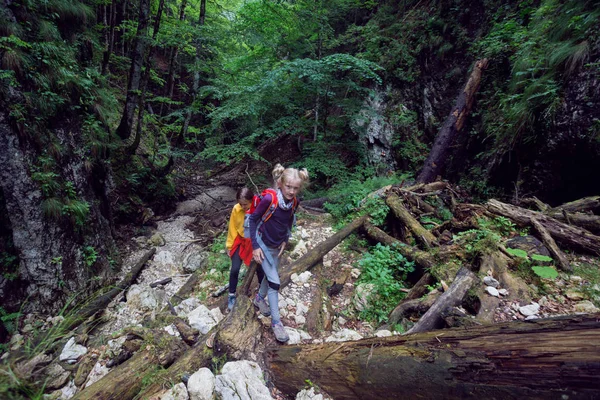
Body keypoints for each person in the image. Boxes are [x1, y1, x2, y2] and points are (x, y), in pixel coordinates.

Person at [248, 164, 309, 342]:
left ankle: (259, 298)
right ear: (280, 184)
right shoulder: (269, 200)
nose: (291, 191)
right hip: (262, 243)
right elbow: (253, 219)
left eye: (295, 188)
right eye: (288, 187)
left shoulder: (294, 202)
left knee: (270, 275)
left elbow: (288, 221)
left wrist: (285, 239)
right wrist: (255, 247)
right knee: (275, 282)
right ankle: (276, 323)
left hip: (276, 245)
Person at [225, 187, 256, 311]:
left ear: (251, 201)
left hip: (253, 242)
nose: (243, 206)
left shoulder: (257, 209)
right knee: (235, 269)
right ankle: (231, 295)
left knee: (258, 268)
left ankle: (260, 295)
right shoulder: (236, 209)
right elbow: (232, 227)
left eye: (245, 204)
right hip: (240, 240)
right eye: (241, 204)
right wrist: (229, 245)